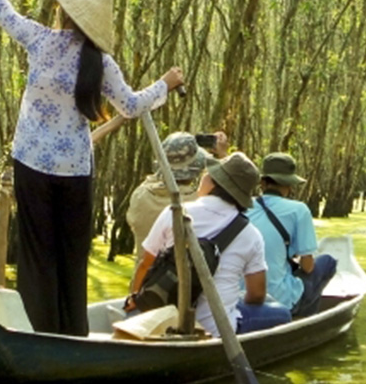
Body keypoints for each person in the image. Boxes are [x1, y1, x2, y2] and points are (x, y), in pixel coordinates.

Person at [0, 0, 183, 336]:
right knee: (71, 258)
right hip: (74, 173)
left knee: (38, 257)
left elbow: (5, 14)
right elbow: (131, 106)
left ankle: (39, 334)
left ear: (63, 15)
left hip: (31, 166)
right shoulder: (100, 62)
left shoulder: (41, 40)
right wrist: (164, 84)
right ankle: (73, 335)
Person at [128, 153, 291, 336]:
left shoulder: (173, 213)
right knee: (283, 313)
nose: (203, 176)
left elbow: (145, 264)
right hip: (218, 329)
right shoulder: (251, 235)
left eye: (208, 173)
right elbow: (256, 295)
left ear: (213, 183)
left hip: (166, 323)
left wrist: (135, 301)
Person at [246, 153, 337, 319]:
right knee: (328, 262)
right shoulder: (299, 210)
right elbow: (308, 266)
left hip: (242, 296)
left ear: (263, 183)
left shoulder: (243, 205)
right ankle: (305, 316)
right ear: (289, 186)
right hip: (280, 299)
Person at [126, 131, 217, 263]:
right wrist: (223, 155)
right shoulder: (197, 202)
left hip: (144, 280)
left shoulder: (141, 196)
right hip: (184, 282)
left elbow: (153, 182)